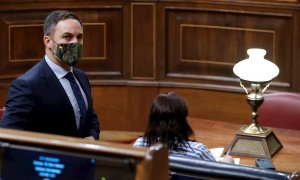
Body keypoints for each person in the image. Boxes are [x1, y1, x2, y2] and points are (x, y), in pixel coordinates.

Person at [0, 10, 100, 140]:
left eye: (79, 37)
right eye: (67, 37)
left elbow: (90, 117)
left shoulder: (80, 76)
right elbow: (10, 136)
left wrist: (91, 137)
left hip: (84, 158)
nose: (75, 43)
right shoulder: (27, 85)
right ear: (48, 41)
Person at [133, 92, 234, 163]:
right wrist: (229, 164)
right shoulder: (198, 151)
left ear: (153, 120)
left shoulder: (139, 145)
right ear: (183, 120)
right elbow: (218, 175)